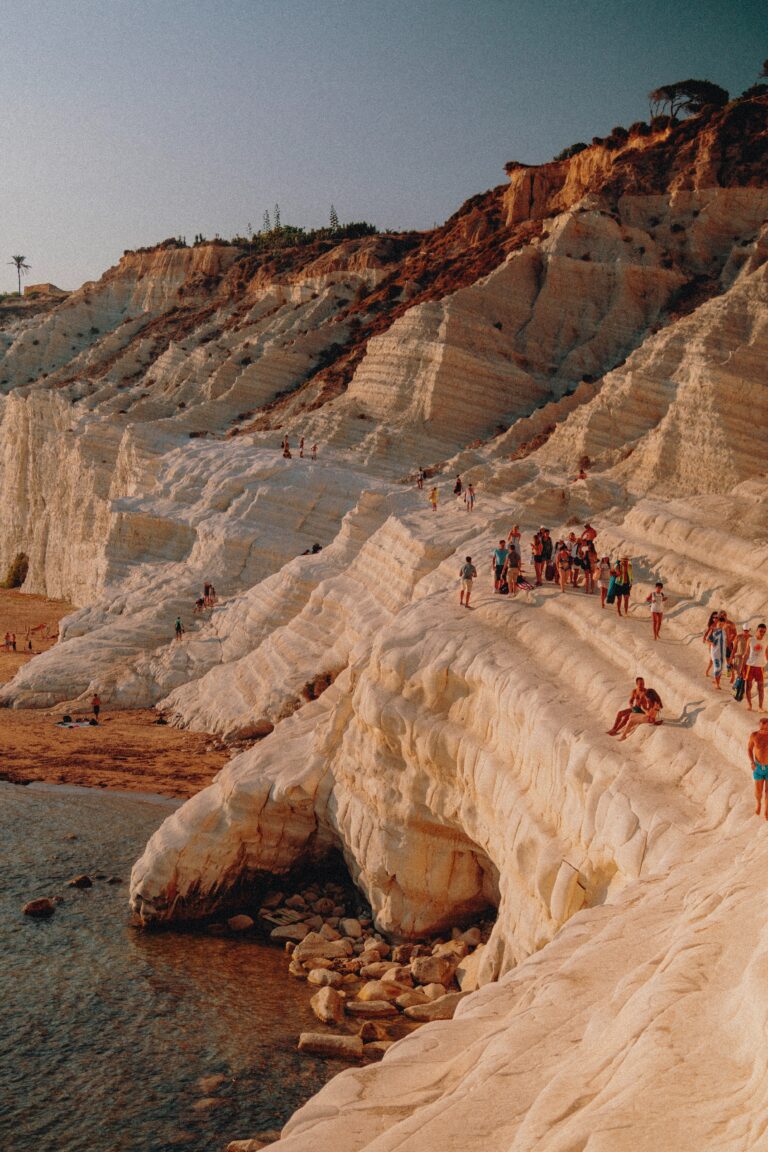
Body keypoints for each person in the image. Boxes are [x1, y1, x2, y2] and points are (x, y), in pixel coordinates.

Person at [744, 623, 767, 712]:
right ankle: (749, 704)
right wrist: (742, 667)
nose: (762, 633)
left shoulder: (765, 641)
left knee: (760, 688)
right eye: (761, 631)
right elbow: (746, 654)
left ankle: (760, 707)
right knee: (748, 687)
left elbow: (767, 653)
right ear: (757, 630)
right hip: (750, 666)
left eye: (764, 632)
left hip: (760, 667)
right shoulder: (750, 640)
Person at [748, 718, 768, 817]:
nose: (765, 728)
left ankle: (766, 809)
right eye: (763, 726)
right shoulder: (754, 735)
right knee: (758, 791)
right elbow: (749, 748)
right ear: (759, 725)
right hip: (758, 767)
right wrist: (752, 762)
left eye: (766, 726)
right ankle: (758, 803)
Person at [706, 612, 729, 690]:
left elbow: (725, 641)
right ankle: (717, 684)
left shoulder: (724, 632)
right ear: (718, 623)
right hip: (715, 652)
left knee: (721, 669)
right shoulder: (713, 630)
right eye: (720, 624)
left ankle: (717, 682)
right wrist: (711, 643)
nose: (721, 626)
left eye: (722, 624)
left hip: (722, 653)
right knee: (717, 667)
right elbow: (707, 639)